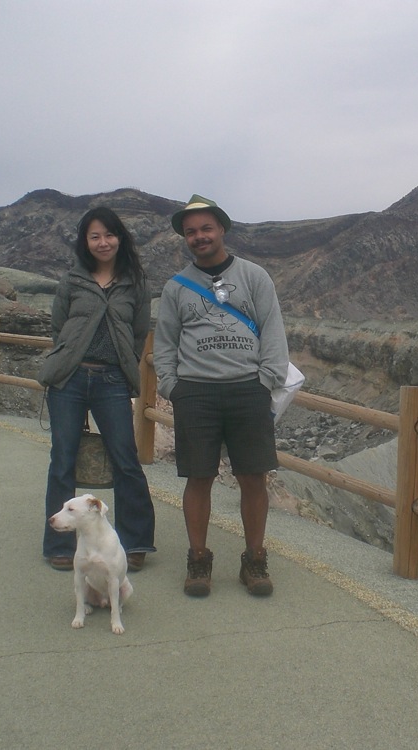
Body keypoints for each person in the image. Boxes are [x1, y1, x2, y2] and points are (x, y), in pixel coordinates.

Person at [153, 195, 288, 597]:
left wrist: (266, 382)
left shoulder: (255, 277)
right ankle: (198, 559)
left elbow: (273, 331)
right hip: (195, 393)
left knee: (252, 477)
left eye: (205, 228)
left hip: (248, 389)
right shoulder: (176, 287)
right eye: (190, 231)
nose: (199, 237)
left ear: (222, 229)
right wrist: (171, 387)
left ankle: (255, 559)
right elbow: (165, 343)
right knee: (199, 477)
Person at [38, 207, 156, 572]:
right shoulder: (73, 280)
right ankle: (60, 544)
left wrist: (122, 362)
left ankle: (134, 541)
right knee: (63, 459)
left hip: (111, 381)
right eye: (95, 236)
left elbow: (138, 333)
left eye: (109, 234)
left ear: (120, 238)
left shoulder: (134, 284)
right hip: (69, 379)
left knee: (125, 458)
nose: (103, 242)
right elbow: (59, 327)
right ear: (85, 242)